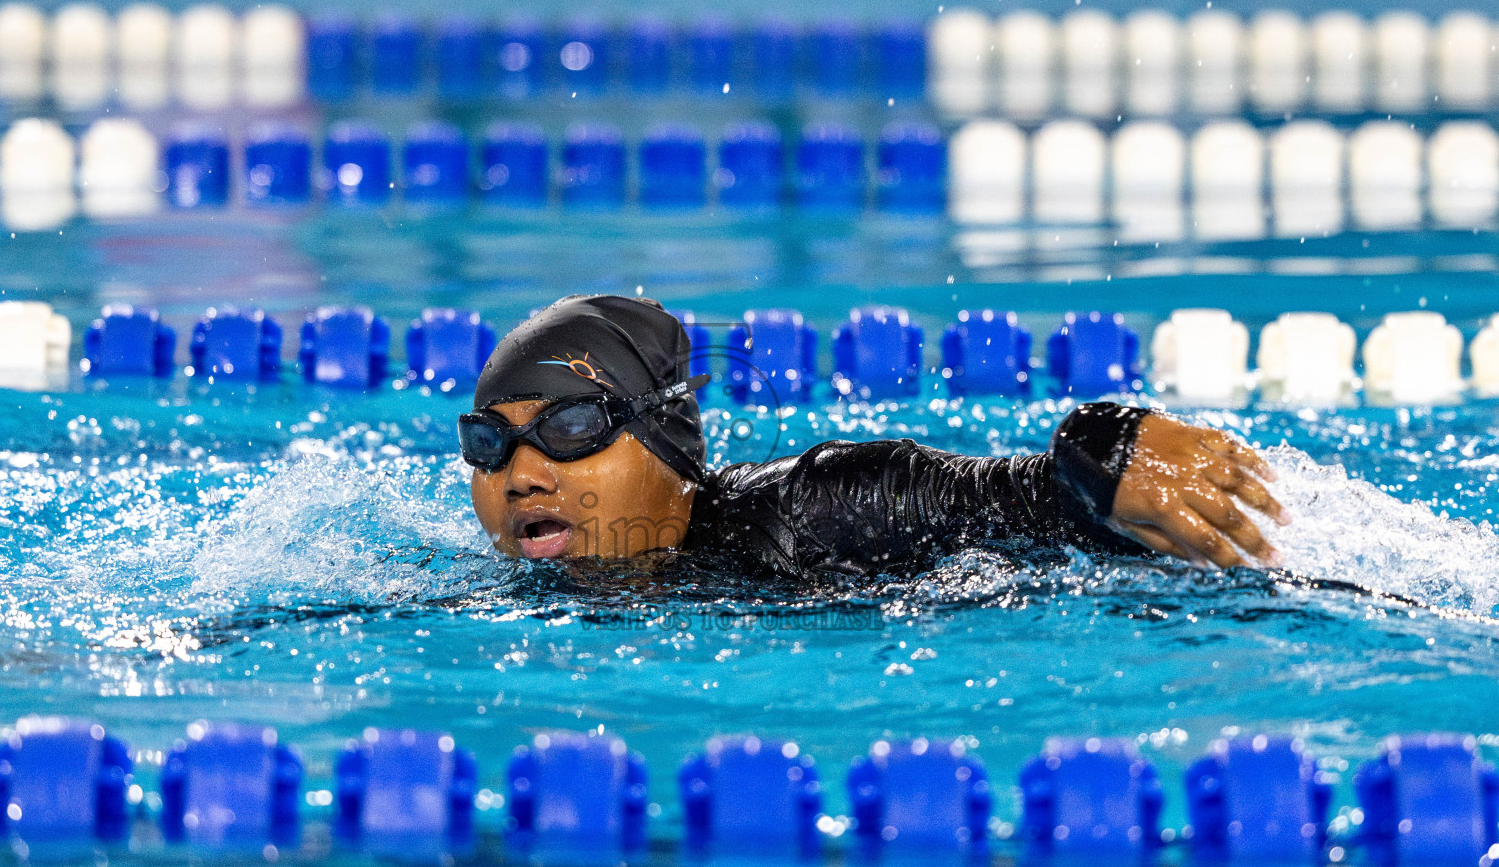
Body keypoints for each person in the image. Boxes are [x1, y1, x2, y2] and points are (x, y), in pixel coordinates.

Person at [461, 295, 1289, 580]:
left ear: (668, 445)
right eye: (489, 445)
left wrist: (1103, 447)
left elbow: (1019, 499)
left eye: (569, 428)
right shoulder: (502, 600)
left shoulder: (814, 508)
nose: (521, 476)